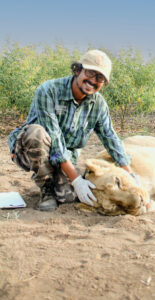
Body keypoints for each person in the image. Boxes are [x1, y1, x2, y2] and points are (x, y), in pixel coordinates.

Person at [8, 49, 135, 211]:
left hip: (66, 155)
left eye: (100, 77)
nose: (93, 80)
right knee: (36, 133)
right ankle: (46, 187)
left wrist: (130, 174)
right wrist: (76, 179)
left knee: (67, 198)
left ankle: (56, 180)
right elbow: (53, 135)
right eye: (90, 73)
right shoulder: (48, 90)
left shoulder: (98, 104)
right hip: (30, 149)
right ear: (77, 70)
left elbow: (110, 137)